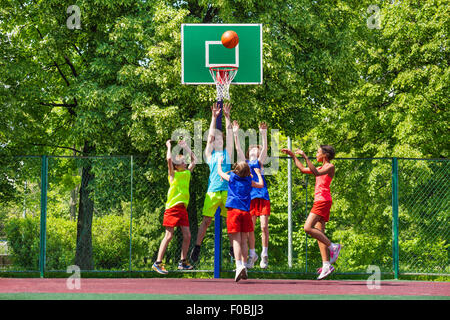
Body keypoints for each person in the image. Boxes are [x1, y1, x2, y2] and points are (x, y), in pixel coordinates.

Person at [281, 145, 341, 280]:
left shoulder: (329, 167)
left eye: (318, 152)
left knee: (307, 228)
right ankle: (326, 265)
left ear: (325, 155)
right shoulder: (320, 167)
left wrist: (305, 156)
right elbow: (302, 169)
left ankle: (333, 246)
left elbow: (316, 173)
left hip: (322, 201)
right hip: (320, 201)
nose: (316, 154)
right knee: (320, 235)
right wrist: (293, 156)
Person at [190, 102, 234, 264]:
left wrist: (227, 117)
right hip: (213, 191)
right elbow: (209, 138)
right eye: (215, 140)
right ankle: (197, 247)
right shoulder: (210, 155)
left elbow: (229, 136)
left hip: (227, 191)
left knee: (229, 221)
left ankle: (231, 249)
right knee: (206, 221)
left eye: (219, 140)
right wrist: (213, 117)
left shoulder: (228, 153)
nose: (217, 141)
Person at [152, 139, 197, 275]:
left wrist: (186, 147)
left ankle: (183, 262)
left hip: (182, 209)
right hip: (172, 208)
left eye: (184, 161)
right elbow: (168, 160)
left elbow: (194, 160)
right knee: (169, 235)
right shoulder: (173, 175)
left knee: (187, 235)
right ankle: (158, 262)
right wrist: (169, 146)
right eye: (182, 161)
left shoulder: (187, 173)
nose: (185, 162)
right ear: (177, 166)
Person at [217, 157, 264, 282]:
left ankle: (239, 266)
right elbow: (261, 185)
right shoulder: (249, 180)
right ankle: (244, 266)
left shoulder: (232, 178)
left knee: (236, 241)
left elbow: (220, 173)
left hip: (234, 212)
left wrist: (219, 164)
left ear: (236, 170)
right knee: (244, 241)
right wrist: (258, 174)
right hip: (246, 213)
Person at [232, 120, 271, 269]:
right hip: (250, 198)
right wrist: (236, 133)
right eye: (253, 150)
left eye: (257, 150)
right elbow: (237, 148)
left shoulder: (258, 163)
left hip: (262, 196)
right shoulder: (245, 164)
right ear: (249, 154)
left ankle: (264, 254)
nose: (256, 151)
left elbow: (265, 147)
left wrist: (263, 134)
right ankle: (252, 254)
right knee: (250, 229)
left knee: (263, 227)